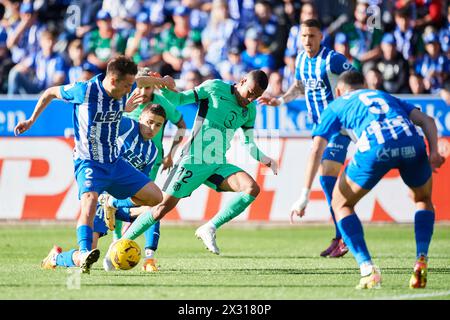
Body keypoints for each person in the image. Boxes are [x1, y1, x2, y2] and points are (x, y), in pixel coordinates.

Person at [14, 55, 170, 273]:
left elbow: (143, 81)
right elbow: (50, 92)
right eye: (127, 86)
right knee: (89, 201)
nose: (130, 90)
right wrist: (31, 120)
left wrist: (163, 82)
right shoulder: (83, 91)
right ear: (113, 81)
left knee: (156, 197)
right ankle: (78, 253)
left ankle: (112, 205)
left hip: (115, 162)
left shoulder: (125, 86)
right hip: (89, 162)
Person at [291, 70, 445, 289]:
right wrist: (434, 152)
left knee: (340, 203)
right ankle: (421, 258)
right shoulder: (385, 96)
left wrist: (304, 195)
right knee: (423, 200)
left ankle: (368, 270)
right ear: (365, 86)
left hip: (376, 146)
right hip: (412, 142)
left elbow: (317, 148)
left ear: (338, 91)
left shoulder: (336, 104)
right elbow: (427, 120)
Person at [106, 69, 278, 257]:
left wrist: (265, 159)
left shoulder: (249, 110)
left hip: (217, 164)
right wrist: (163, 86)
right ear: (243, 80)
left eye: (257, 96)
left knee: (251, 188)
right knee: (160, 209)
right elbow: (180, 100)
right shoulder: (215, 87)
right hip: (192, 161)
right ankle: (119, 245)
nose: (251, 99)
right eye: (251, 92)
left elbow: (248, 142)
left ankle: (209, 227)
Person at [258, 19, 354, 258]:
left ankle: (346, 236)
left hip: (339, 127)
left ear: (321, 36)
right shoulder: (300, 60)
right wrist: (280, 100)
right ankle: (341, 235)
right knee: (327, 182)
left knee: (327, 177)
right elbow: (300, 87)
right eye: (304, 36)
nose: (307, 41)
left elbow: (356, 82)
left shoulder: (332, 59)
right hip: (318, 127)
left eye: (312, 36)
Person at [40, 104, 165, 271]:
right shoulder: (127, 126)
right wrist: (121, 110)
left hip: (118, 201)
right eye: (149, 122)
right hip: (101, 190)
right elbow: (103, 121)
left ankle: (149, 259)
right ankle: (56, 257)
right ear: (140, 118)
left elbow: (141, 187)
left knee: (155, 208)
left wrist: (117, 203)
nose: (152, 128)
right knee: (87, 255)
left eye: (158, 125)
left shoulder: (152, 152)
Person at [101, 67, 187, 271]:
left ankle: (149, 257)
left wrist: (171, 153)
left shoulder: (161, 103)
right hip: (123, 158)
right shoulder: (129, 98)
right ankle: (117, 243)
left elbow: (182, 125)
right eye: (140, 86)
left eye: (148, 87)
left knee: (153, 204)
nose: (143, 91)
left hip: (150, 159)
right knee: (123, 204)